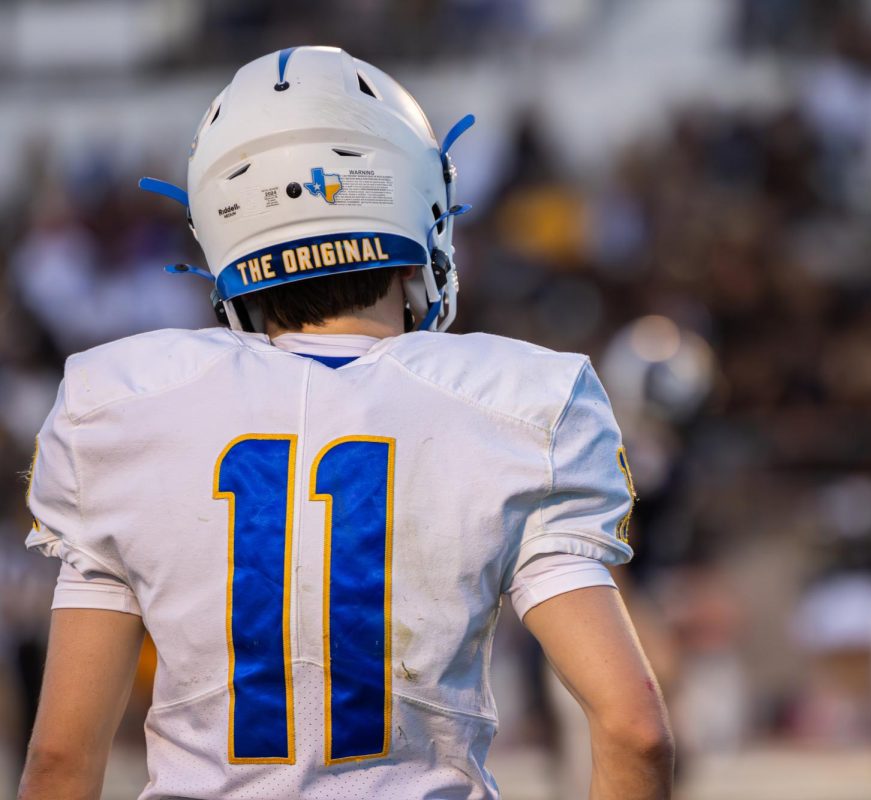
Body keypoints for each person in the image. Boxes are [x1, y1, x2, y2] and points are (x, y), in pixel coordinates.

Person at [17, 46, 672, 800]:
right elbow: (635, 728)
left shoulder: (119, 404)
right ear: (418, 204)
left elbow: (61, 762)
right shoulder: (516, 403)